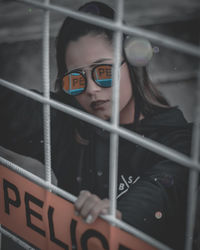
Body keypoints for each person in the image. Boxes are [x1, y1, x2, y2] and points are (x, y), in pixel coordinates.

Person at [0, 1, 192, 249]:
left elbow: (161, 188)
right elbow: (12, 109)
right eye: (76, 79)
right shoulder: (66, 119)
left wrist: (118, 217)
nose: (91, 89)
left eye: (104, 71)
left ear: (132, 65)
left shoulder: (178, 138)